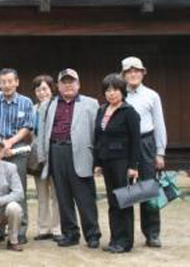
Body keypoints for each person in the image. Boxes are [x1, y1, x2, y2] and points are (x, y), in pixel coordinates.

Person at [37, 69, 101, 249]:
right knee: (63, 197)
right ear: (58, 86)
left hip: (81, 154)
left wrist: (97, 161)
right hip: (56, 151)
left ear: (78, 84)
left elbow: (97, 134)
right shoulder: (48, 105)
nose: (68, 85)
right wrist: (43, 157)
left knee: (85, 197)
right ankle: (70, 233)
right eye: (64, 82)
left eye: (71, 82)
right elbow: (42, 132)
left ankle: (92, 234)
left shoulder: (91, 104)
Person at [0, 68, 35, 243]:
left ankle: (20, 230)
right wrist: (0, 144)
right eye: (3, 82)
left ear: (17, 82)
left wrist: (10, 142)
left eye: (10, 81)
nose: (7, 85)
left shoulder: (26, 102)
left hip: (17, 149)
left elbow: (27, 126)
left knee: (18, 189)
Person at [121, 56, 167, 248]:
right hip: (124, 144)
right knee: (124, 189)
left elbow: (159, 124)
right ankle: (124, 234)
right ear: (123, 75)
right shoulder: (118, 94)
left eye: (136, 71)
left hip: (146, 142)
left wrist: (160, 152)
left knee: (148, 188)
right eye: (129, 71)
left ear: (142, 73)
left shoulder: (152, 95)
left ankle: (152, 233)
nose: (133, 74)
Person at [94, 74, 141, 254]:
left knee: (124, 201)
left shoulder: (129, 112)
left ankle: (125, 241)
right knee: (113, 202)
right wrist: (97, 162)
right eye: (107, 90)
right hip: (107, 162)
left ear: (122, 91)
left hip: (122, 162)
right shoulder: (102, 110)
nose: (111, 93)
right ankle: (115, 239)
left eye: (115, 90)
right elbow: (98, 137)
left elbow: (136, 141)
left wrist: (133, 166)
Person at [30, 75, 61, 241]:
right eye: (38, 90)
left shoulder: (58, 106)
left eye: (44, 89)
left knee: (57, 194)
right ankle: (43, 228)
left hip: (55, 153)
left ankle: (57, 228)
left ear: (52, 89)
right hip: (38, 155)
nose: (42, 93)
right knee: (42, 195)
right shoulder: (32, 109)